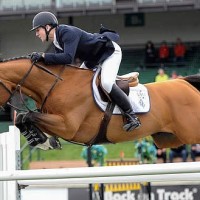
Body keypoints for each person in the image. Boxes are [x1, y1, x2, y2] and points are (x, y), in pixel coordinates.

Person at [30, 11, 141, 132]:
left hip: (109, 52)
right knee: (76, 84)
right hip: (92, 59)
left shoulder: (67, 32)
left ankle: (132, 116)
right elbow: (60, 64)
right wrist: (41, 62)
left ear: (47, 27)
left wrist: (44, 56)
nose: (36, 34)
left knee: (107, 83)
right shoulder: (57, 41)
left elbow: (67, 58)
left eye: (37, 30)